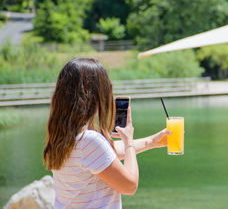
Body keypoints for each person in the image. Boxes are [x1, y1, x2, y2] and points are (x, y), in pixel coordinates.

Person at [43, 58, 170, 209]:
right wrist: (128, 141)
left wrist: (152, 141)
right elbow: (130, 186)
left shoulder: (62, 137)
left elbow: (106, 154)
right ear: (95, 95)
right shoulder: (89, 141)